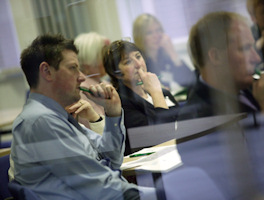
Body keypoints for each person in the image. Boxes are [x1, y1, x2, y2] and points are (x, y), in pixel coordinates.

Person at [9, 34, 156, 200]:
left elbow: (112, 159)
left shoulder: (57, 116)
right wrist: (157, 195)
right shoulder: (41, 121)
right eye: (73, 68)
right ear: (47, 71)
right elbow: (100, 188)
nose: (81, 77)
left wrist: (113, 114)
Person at [176, 11, 264, 199]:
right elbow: (262, 186)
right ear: (216, 56)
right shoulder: (195, 121)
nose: (256, 58)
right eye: (245, 48)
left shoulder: (250, 94)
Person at [102, 40, 179, 155]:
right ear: (116, 73)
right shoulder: (122, 103)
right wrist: (156, 93)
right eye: (128, 62)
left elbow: (184, 124)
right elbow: (162, 137)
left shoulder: (164, 93)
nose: (138, 64)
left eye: (138, 56)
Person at [132, 13, 195, 97]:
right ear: (140, 37)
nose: (156, 36)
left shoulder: (164, 57)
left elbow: (190, 82)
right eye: (149, 33)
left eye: (158, 30)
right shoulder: (138, 62)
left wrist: (173, 54)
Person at [73, 32, 111, 130]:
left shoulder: (105, 83)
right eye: (103, 55)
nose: (109, 59)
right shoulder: (82, 89)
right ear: (89, 59)